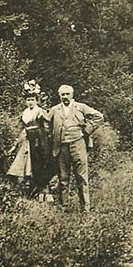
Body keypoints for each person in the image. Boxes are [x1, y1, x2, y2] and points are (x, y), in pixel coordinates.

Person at [48, 84, 104, 213]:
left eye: (67, 94)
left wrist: (85, 131)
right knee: (63, 178)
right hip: (61, 147)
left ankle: (85, 208)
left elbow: (99, 117)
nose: (65, 97)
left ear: (72, 94)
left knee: (81, 177)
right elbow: (46, 121)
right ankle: (64, 207)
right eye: (63, 94)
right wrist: (52, 134)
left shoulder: (81, 107)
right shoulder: (55, 109)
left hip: (78, 145)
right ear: (59, 96)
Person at [7, 90, 51, 198]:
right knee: (25, 162)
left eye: (32, 100)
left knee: (38, 162)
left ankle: (41, 189)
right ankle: (27, 190)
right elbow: (22, 128)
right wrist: (16, 143)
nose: (30, 102)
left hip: (38, 138)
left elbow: (46, 126)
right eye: (28, 100)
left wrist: (45, 139)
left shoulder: (40, 111)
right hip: (26, 138)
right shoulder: (25, 112)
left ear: (36, 101)